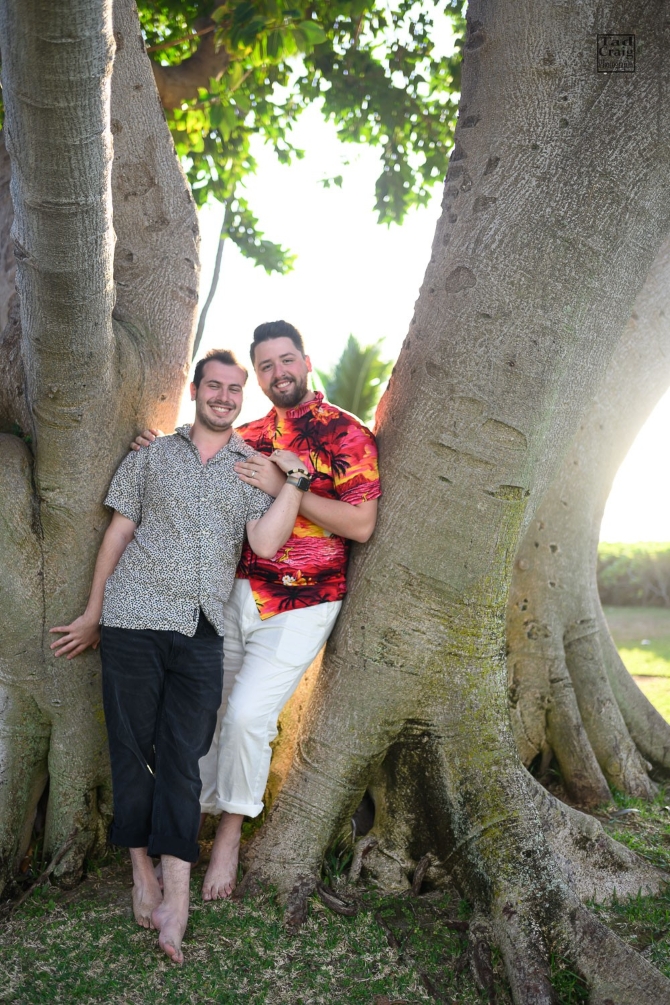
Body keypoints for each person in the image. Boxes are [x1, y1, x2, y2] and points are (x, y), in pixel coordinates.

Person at [49, 350, 308, 965]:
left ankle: (179, 890)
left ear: (242, 398)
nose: (224, 397)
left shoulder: (253, 468)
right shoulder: (151, 455)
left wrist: (292, 481)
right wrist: (92, 614)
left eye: (234, 389)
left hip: (202, 629)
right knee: (133, 748)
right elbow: (119, 530)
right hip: (133, 617)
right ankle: (142, 872)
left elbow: (268, 543)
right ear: (194, 391)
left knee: (186, 755)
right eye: (213, 386)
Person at [134, 321, 382, 901]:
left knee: (247, 715)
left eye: (286, 360)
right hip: (234, 593)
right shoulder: (246, 433)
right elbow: (196, 457)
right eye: (266, 366)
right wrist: (158, 449)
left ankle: (229, 835)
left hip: (305, 599)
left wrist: (282, 484)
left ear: (307, 361)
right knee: (210, 715)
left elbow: (361, 526)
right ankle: (184, 828)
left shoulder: (347, 435)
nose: (279, 373)